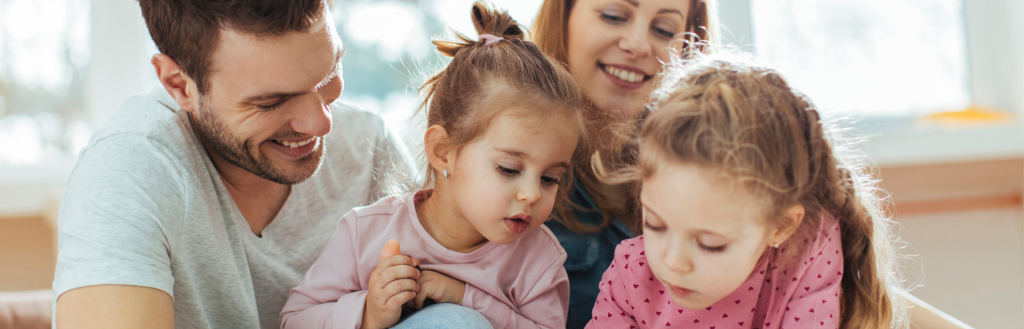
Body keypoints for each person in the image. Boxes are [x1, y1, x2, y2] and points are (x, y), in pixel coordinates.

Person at [51, 1, 415, 328]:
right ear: (179, 86)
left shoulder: (367, 143)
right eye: (271, 102)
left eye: (328, 75)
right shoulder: (127, 175)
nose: (322, 124)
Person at [280, 2, 594, 328]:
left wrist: (465, 297)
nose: (531, 194)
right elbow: (295, 320)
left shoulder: (539, 260)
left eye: (550, 178)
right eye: (509, 169)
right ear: (443, 151)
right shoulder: (367, 233)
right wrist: (369, 313)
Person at [585, 56, 908, 328]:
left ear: (780, 227)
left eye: (710, 244)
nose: (673, 261)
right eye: (655, 225)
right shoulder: (631, 273)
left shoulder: (806, 253)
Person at [529, 0, 716, 327]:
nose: (638, 45)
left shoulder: (719, 165)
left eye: (663, 30)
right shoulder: (501, 161)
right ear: (564, 14)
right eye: (614, 16)